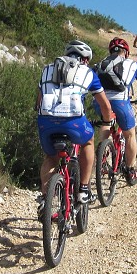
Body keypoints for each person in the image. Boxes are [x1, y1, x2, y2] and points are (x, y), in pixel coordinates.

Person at [36, 40, 114, 208]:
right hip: (74, 122)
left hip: (46, 121)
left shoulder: (46, 70)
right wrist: (107, 120)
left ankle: (44, 200)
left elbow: (38, 102)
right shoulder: (88, 73)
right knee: (88, 141)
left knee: (51, 157)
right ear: (85, 59)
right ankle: (83, 190)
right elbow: (104, 105)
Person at [94, 37, 137, 185]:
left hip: (100, 103)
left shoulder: (99, 65)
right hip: (121, 103)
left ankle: (101, 158)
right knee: (130, 135)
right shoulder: (134, 65)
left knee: (106, 121)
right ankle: (129, 169)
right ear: (127, 52)